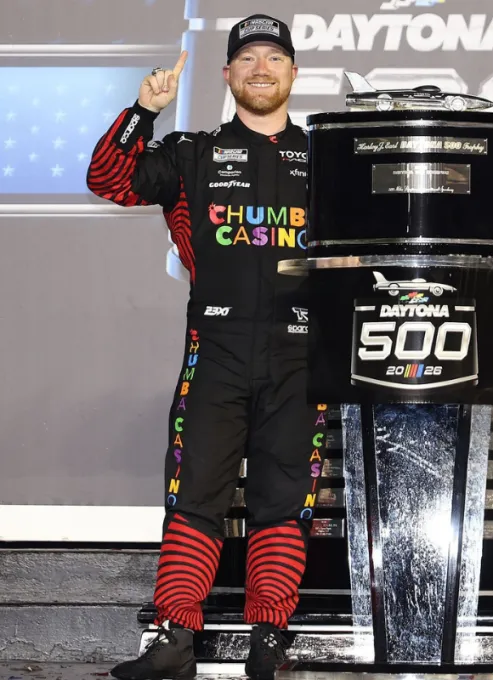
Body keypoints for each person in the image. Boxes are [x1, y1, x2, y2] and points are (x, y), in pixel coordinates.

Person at [87, 14, 327, 680]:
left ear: (293, 72)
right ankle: (174, 640)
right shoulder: (191, 152)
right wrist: (143, 112)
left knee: (283, 502)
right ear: (226, 74)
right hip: (214, 352)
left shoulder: (325, 159)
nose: (260, 68)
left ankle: (269, 639)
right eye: (247, 58)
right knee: (194, 495)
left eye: (273, 57)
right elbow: (107, 179)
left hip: (300, 359)